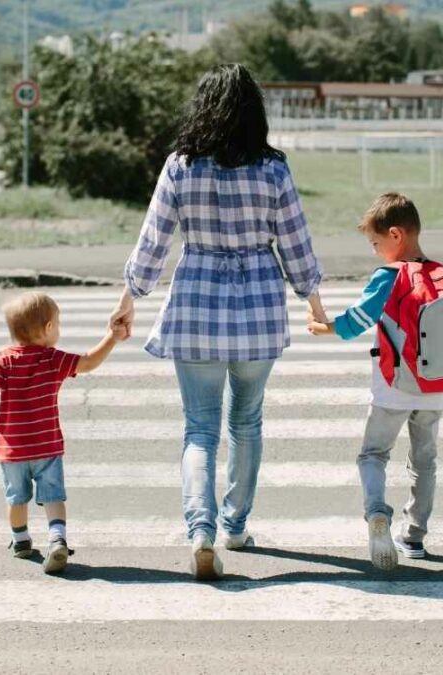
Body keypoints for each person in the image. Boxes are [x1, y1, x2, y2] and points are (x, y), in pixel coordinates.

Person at [108, 63, 327, 581]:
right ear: (254, 111)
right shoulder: (273, 169)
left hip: (196, 308)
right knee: (246, 422)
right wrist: (313, 302)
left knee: (199, 430)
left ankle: (201, 531)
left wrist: (129, 297)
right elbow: (295, 242)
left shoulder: (181, 166)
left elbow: (154, 241)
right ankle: (235, 524)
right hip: (258, 312)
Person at [306, 193, 443, 571]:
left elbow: (359, 318)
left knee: (373, 454)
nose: (375, 251)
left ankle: (377, 515)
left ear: (396, 235)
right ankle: (415, 536)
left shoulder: (390, 275)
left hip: (395, 385)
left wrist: (326, 327)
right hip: (436, 386)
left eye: (376, 242)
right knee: (425, 460)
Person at [0, 291, 127, 574]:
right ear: (48, 328)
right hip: (47, 446)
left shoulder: (4, 360)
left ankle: (20, 541)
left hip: (13, 450)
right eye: (58, 322)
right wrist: (112, 338)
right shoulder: (53, 359)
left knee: (16, 498)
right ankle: (58, 539)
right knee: (53, 496)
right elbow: (89, 362)